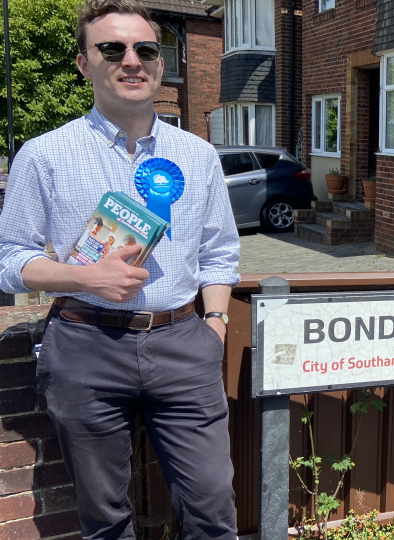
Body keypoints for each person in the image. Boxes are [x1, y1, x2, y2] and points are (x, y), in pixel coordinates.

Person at [0, 1, 240, 538]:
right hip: (86, 347)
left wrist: (216, 324)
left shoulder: (198, 155)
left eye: (145, 49)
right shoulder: (43, 155)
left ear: (158, 63)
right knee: (105, 520)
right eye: (112, 48)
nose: (131, 60)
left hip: (183, 342)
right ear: (85, 64)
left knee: (212, 508)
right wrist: (84, 277)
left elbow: (220, 253)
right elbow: (8, 259)